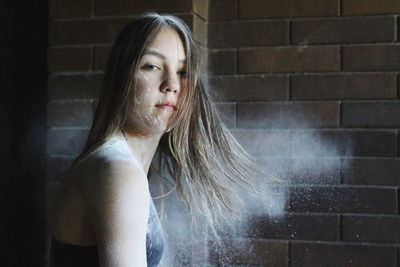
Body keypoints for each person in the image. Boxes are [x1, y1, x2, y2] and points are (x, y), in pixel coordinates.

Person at [49, 12, 257, 267]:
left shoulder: (121, 165)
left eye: (182, 71)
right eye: (152, 66)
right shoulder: (118, 171)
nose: (172, 84)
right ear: (122, 77)